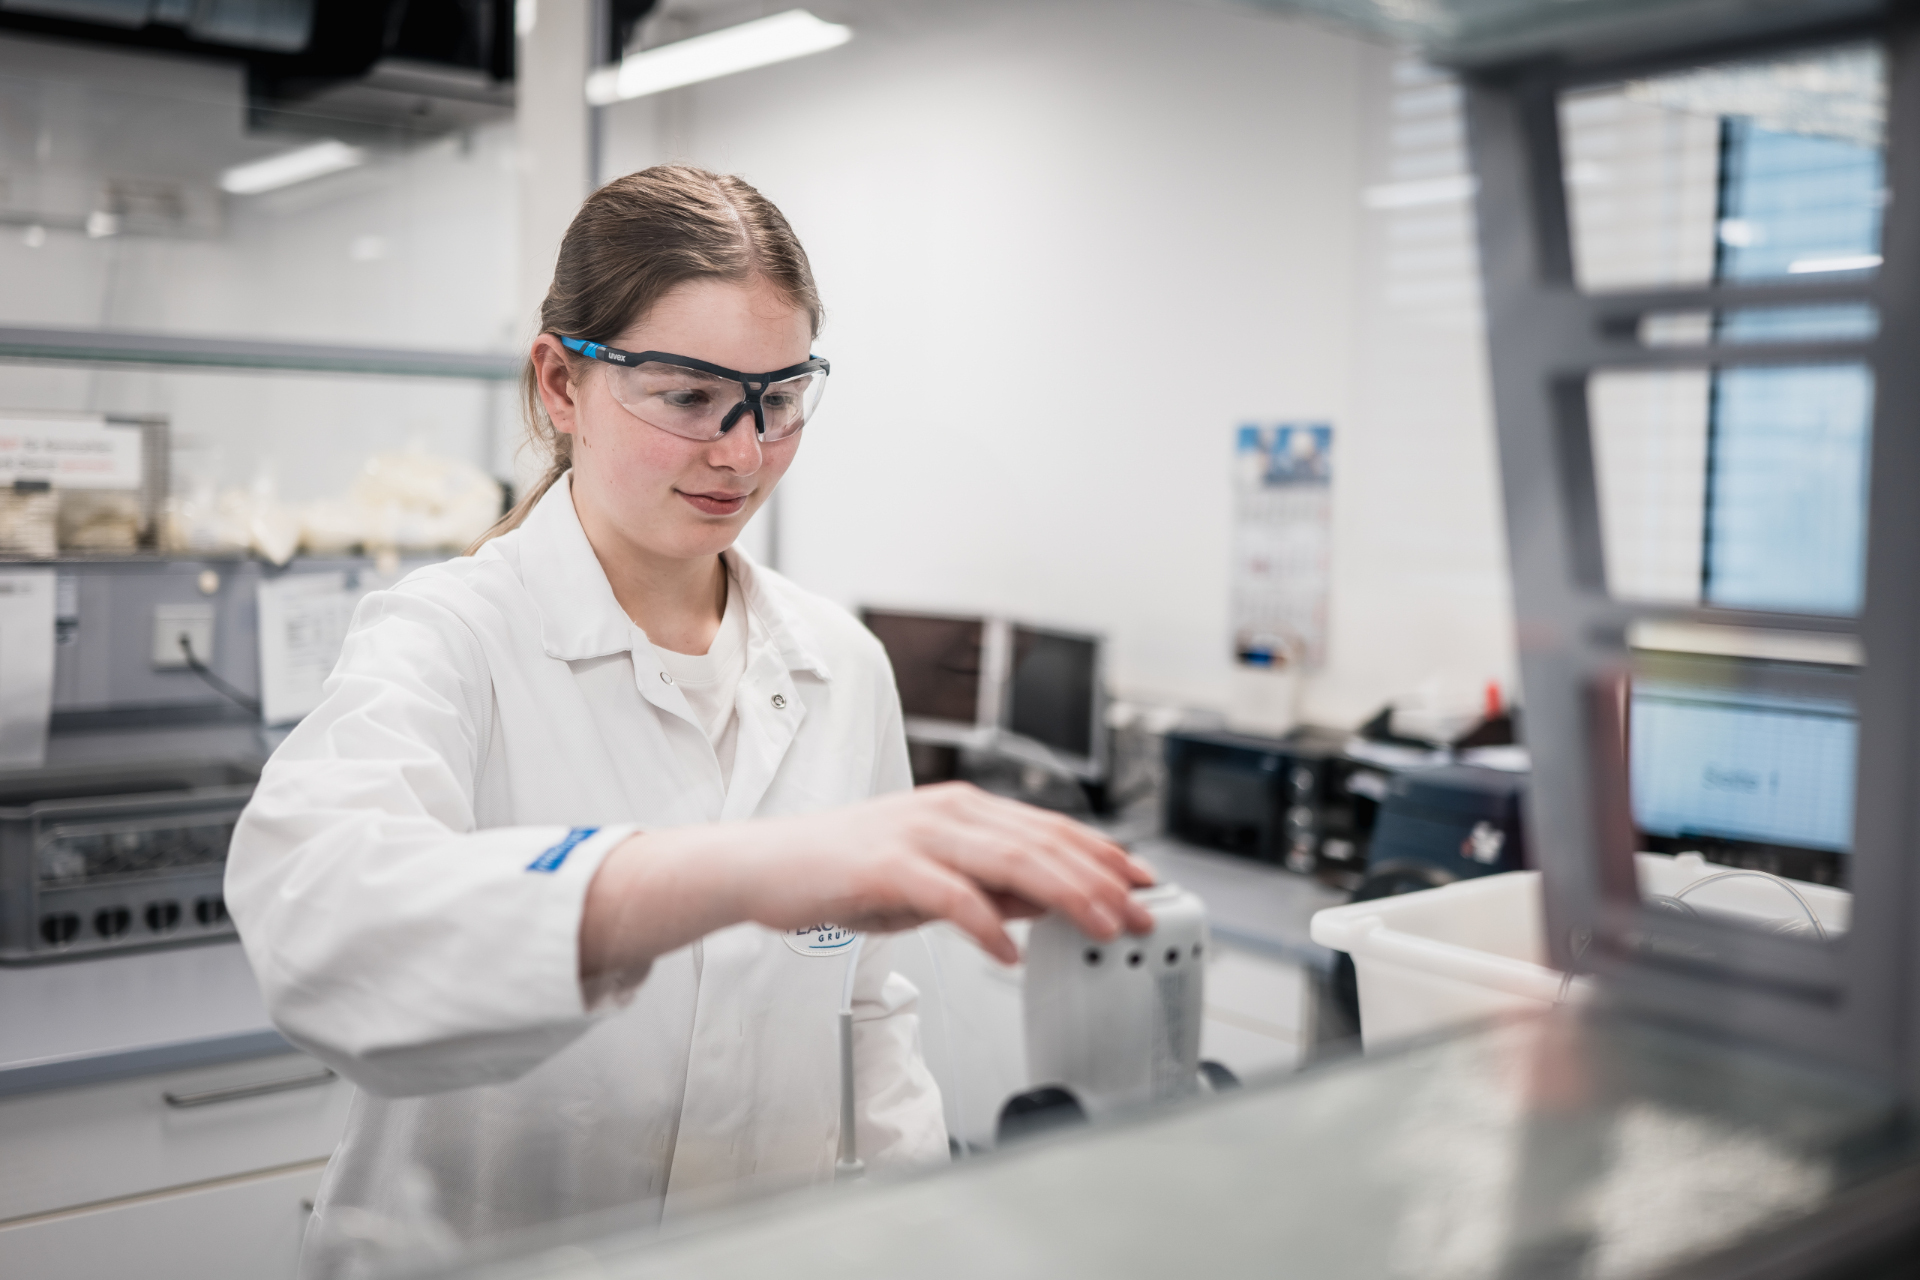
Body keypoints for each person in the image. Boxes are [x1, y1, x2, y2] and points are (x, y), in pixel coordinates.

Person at [225, 164, 1153, 1279]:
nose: (742, 451)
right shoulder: (447, 636)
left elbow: (869, 1016)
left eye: (780, 398)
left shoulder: (840, 667)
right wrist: (743, 872)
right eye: (688, 397)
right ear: (562, 383)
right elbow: (322, 929)